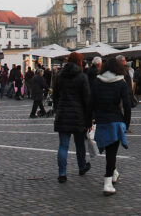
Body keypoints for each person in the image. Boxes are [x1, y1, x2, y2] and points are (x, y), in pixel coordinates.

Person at [90, 58, 130, 196]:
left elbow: (91, 102)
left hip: (101, 120)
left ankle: (114, 173)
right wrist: (126, 123)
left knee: (109, 151)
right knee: (112, 152)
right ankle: (107, 183)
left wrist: (91, 120)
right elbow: (127, 104)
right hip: (115, 120)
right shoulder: (121, 82)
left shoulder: (97, 81)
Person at [54, 52, 91, 183]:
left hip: (63, 114)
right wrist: (89, 117)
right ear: (79, 62)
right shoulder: (82, 77)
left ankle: (62, 173)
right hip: (78, 115)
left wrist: (57, 109)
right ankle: (81, 166)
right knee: (80, 144)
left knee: (63, 145)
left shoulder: (59, 76)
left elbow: (56, 96)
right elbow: (87, 98)